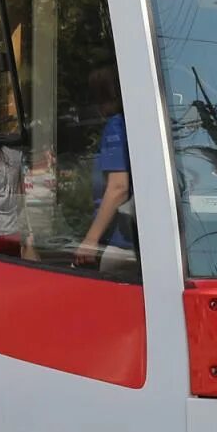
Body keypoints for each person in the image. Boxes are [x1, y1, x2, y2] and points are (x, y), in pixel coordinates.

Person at [75, 66, 137, 276]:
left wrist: (91, 239)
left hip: (116, 241)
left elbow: (118, 187)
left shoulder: (116, 126)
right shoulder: (133, 124)